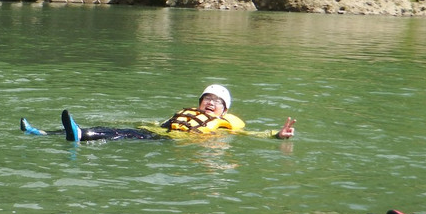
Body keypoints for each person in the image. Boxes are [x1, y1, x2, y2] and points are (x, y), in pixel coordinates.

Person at [20, 84, 296, 141]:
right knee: (116, 128)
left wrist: (276, 134)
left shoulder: (224, 125)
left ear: (225, 110)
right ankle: (42, 132)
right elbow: (162, 122)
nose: (211, 104)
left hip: (167, 141)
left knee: (121, 136)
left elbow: (250, 134)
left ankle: (82, 135)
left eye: (217, 102)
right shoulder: (187, 112)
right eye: (207, 99)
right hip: (159, 131)